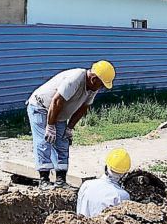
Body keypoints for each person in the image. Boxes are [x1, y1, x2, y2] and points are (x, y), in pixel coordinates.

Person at [26, 60, 115, 190]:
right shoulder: (76, 78)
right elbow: (57, 101)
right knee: (45, 141)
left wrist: (69, 128)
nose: (101, 88)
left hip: (59, 112)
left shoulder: (92, 88)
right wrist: (50, 126)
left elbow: (83, 108)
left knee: (62, 142)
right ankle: (44, 180)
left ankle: (61, 181)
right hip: (41, 107)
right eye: (101, 84)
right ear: (94, 78)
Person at [77, 148, 132, 217]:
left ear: (106, 166)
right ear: (124, 174)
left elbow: (78, 212)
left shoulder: (86, 185)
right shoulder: (121, 195)